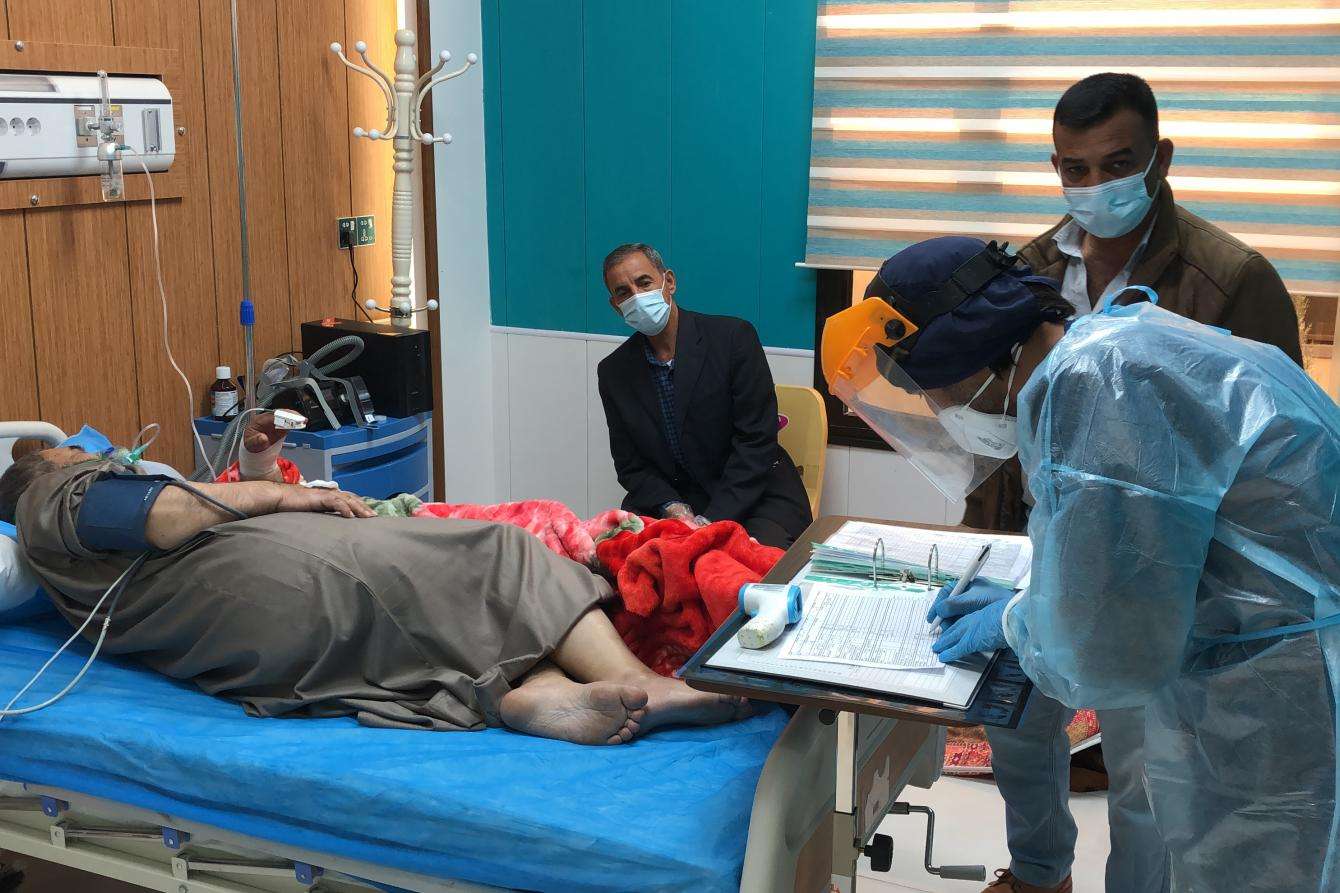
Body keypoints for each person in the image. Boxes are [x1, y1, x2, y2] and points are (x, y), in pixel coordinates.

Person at [824, 235, 1338, 893]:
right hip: (1273, 656)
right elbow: (1142, 544)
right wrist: (1032, 595)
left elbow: (1115, 655)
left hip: (1287, 691)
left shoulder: (1098, 388)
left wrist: (1018, 620)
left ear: (967, 356)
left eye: (938, 393)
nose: (945, 412)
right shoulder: (1100, 353)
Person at [959, 73, 1303, 893]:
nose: (1094, 186)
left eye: (1117, 164)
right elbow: (1002, 417)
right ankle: (1041, 874)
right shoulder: (1032, 270)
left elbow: (1274, 448)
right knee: (1017, 721)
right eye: (1074, 169)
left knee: (1142, 769)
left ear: (1161, 158)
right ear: (1055, 166)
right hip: (1044, 549)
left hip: (1160, 568)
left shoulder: (1230, 280)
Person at [0, 414, 749, 744]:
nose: (109, 454)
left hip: (259, 636)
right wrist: (294, 492)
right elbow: (161, 515)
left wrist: (259, 470)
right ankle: (635, 681)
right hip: (289, 586)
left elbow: (182, 514)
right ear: (49, 465)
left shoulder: (71, 570)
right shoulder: (50, 494)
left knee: (452, 607)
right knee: (496, 551)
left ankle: (540, 693)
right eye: (82, 452)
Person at [597, 243, 811, 548]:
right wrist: (673, 507)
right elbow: (631, 466)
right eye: (623, 292)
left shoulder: (733, 339)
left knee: (734, 569)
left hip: (754, 497)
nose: (636, 297)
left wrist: (710, 521)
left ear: (669, 281)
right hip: (675, 506)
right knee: (630, 562)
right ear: (616, 305)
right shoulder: (614, 372)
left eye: (644, 283)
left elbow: (756, 442)